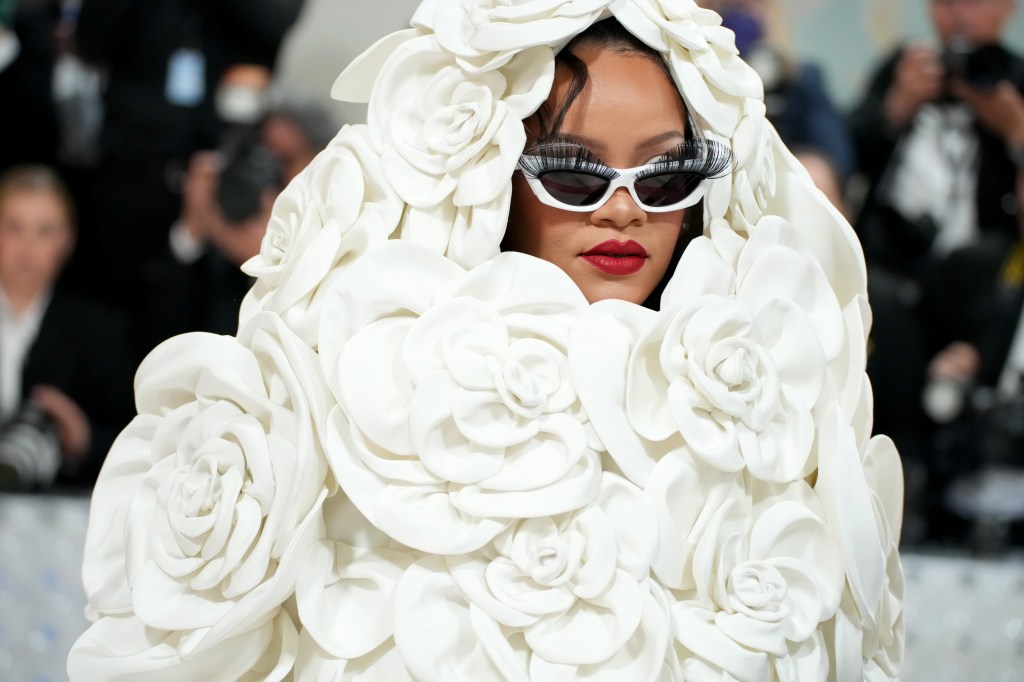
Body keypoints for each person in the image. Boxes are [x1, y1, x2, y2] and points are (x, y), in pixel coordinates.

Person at [69, 3, 902, 680]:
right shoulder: (369, 422)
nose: (624, 210)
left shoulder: (764, 433)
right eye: (574, 172)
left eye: (665, 174)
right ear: (491, 170)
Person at [849, 0, 1024, 472]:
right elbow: (850, 152)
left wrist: (1013, 127)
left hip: (981, 266)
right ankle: (904, 462)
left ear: (1007, 9)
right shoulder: (908, 65)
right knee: (878, 297)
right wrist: (896, 107)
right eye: (948, 3)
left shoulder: (1014, 78)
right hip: (898, 260)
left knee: (991, 274)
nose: (960, 14)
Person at [0, 165, 133, 490]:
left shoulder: (99, 329)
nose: (27, 246)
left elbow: (133, 442)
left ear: (67, 240)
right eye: (13, 227)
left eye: (44, 231)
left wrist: (81, 436)